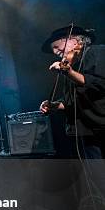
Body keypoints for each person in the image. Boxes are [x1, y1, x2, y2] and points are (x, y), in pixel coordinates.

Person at [39, 26, 105, 159]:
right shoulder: (72, 67)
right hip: (85, 132)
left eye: (57, 46)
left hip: (101, 128)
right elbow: (72, 101)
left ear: (73, 40)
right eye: (53, 50)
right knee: (94, 176)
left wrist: (69, 73)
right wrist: (55, 105)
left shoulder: (98, 52)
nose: (55, 51)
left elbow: (101, 83)